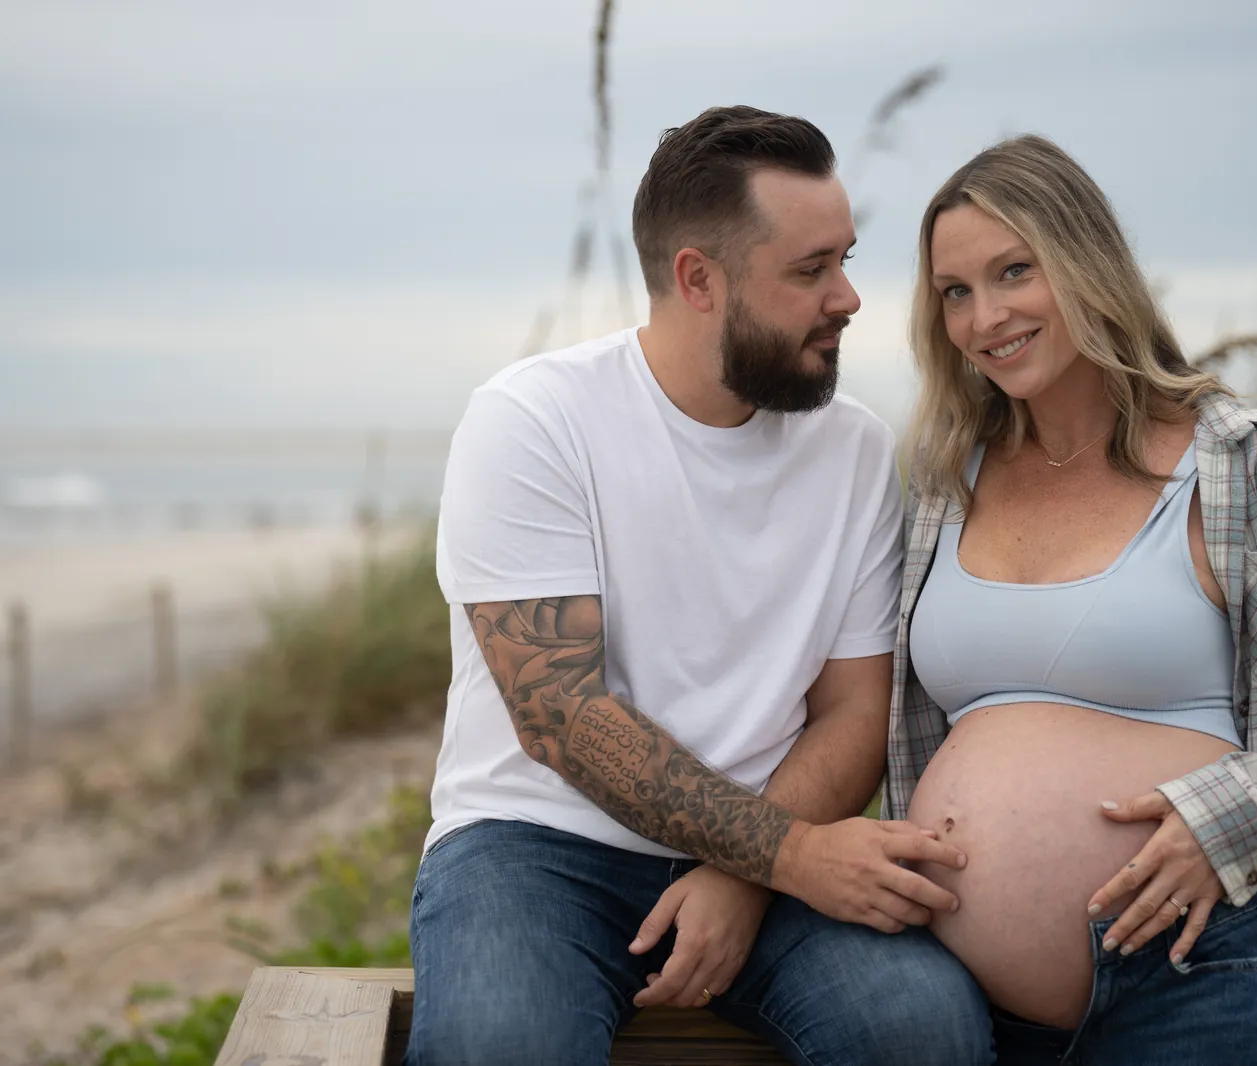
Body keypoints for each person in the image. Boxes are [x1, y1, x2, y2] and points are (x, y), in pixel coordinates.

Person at [405, 105, 994, 1066]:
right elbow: (559, 715)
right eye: (811, 271)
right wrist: (787, 857)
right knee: (500, 1047)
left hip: (772, 849)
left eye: (846, 259)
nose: (847, 298)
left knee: (921, 1030)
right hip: (536, 847)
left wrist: (752, 874)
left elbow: (854, 713)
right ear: (698, 280)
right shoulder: (534, 421)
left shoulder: (854, 451)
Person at [881, 134, 1257, 1066]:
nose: (986, 317)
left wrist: (1221, 824)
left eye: (1016, 272)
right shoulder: (941, 487)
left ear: (1087, 267)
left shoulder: (1249, 468)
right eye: (955, 292)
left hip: (1206, 973)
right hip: (979, 1010)